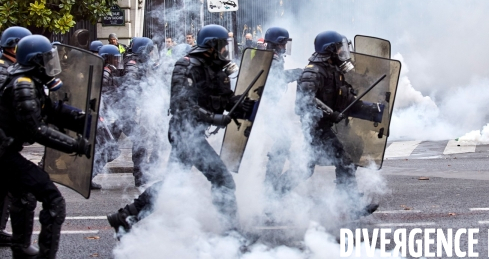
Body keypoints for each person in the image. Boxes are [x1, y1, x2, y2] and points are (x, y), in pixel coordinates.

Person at [106, 25, 256, 236]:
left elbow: (224, 99)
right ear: (211, 45)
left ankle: (126, 217)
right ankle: (232, 235)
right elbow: (181, 105)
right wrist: (215, 118)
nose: (224, 50)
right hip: (184, 133)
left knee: (172, 183)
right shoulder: (185, 66)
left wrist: (241, 106)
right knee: (223, 180)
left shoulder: (215, 69)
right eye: (222, 45)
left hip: (193, 133)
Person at [0, 35, 91, 258]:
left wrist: (82, 119)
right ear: (35, 61)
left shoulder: (31, 81)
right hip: (4, 154)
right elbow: (36, 130)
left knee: (24, 196)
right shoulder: (24, 85)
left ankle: (21, 249)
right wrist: (77, 145)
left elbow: (51, 110)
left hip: (6, 151)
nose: (52, 64)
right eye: (47, 59)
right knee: (53, 199)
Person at [273, 31, 377, 218]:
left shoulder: (334, 72)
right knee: (344, 161)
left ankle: (273, 197)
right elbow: (306, 101)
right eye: (339, 48)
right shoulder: (313, 72)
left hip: (325, 127)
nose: (342, 52)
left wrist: (376, 111)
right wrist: (330, 113)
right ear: (329, 50)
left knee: (305, 169)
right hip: (315, 128)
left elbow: (348, 101)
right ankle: (351, 204)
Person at [0, 27, 38, 256]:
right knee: (21, 188)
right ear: (14, 46)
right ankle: (21, 247)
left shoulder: (10, 68)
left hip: (6, 143)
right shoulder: (5, 71)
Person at [262, 27, 302, 196]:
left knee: (283, 142)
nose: (285, 46)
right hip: (266, 107)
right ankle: (270, 187)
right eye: (283, 43)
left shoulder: (273, 57)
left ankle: (271, 184)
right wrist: (298, 73)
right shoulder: (270, 59)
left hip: (270, 106)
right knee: (283, 142)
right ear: (277, 43)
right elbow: (274, 80)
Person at [120, 37, 158, 187]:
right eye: (148, 51)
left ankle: (140, 175)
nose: (149, 54)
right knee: (140, 142)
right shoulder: (132, 63)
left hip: (124, 111)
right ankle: (140, 176)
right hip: (125, 112)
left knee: (108, 145)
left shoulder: (136, 61)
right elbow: (130, 84)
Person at [91, 44, 125, 190]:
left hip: (105, 116)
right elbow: (102, 97)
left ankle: (90, 175)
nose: (117, 61)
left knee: (107, 149)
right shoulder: (104, 73)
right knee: (108, 149)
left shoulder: (108, 72)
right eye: (115, 58)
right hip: (102, 118)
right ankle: (89, 175)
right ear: (108, 58)